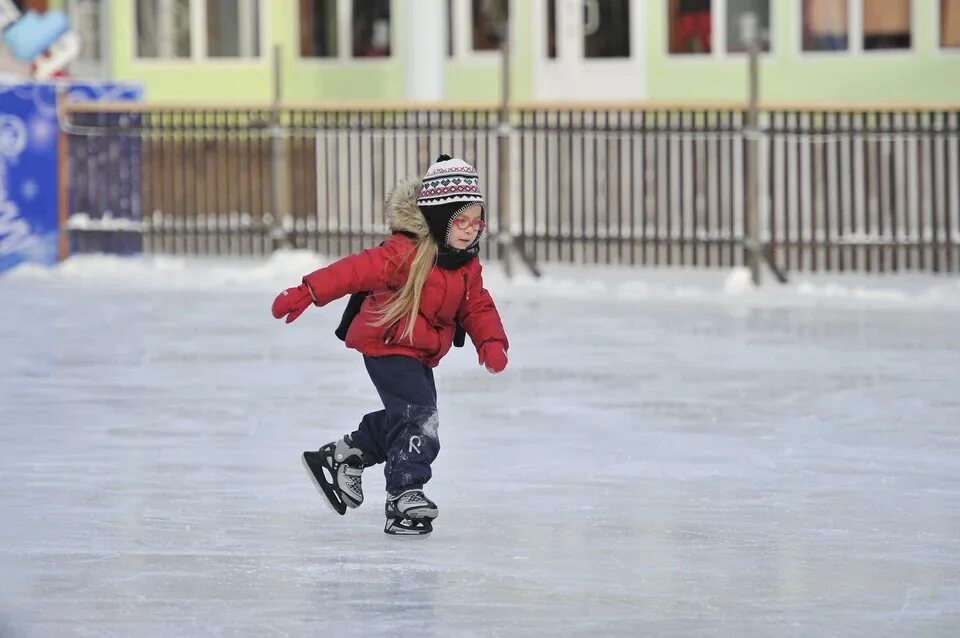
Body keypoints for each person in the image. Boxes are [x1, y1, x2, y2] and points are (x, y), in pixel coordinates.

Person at [271, 154, 509, 537]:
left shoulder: (465, 263)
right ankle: (405, 494)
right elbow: (352, 271)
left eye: (475, 221)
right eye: (459, 220)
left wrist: (492, 340)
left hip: (419, 352)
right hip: (387, 343)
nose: (469, 230)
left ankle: (346, 454)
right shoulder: (403, 253)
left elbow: (476, 305)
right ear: (439, 219)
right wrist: (307, 291)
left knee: (408, 417)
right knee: (420, 417)